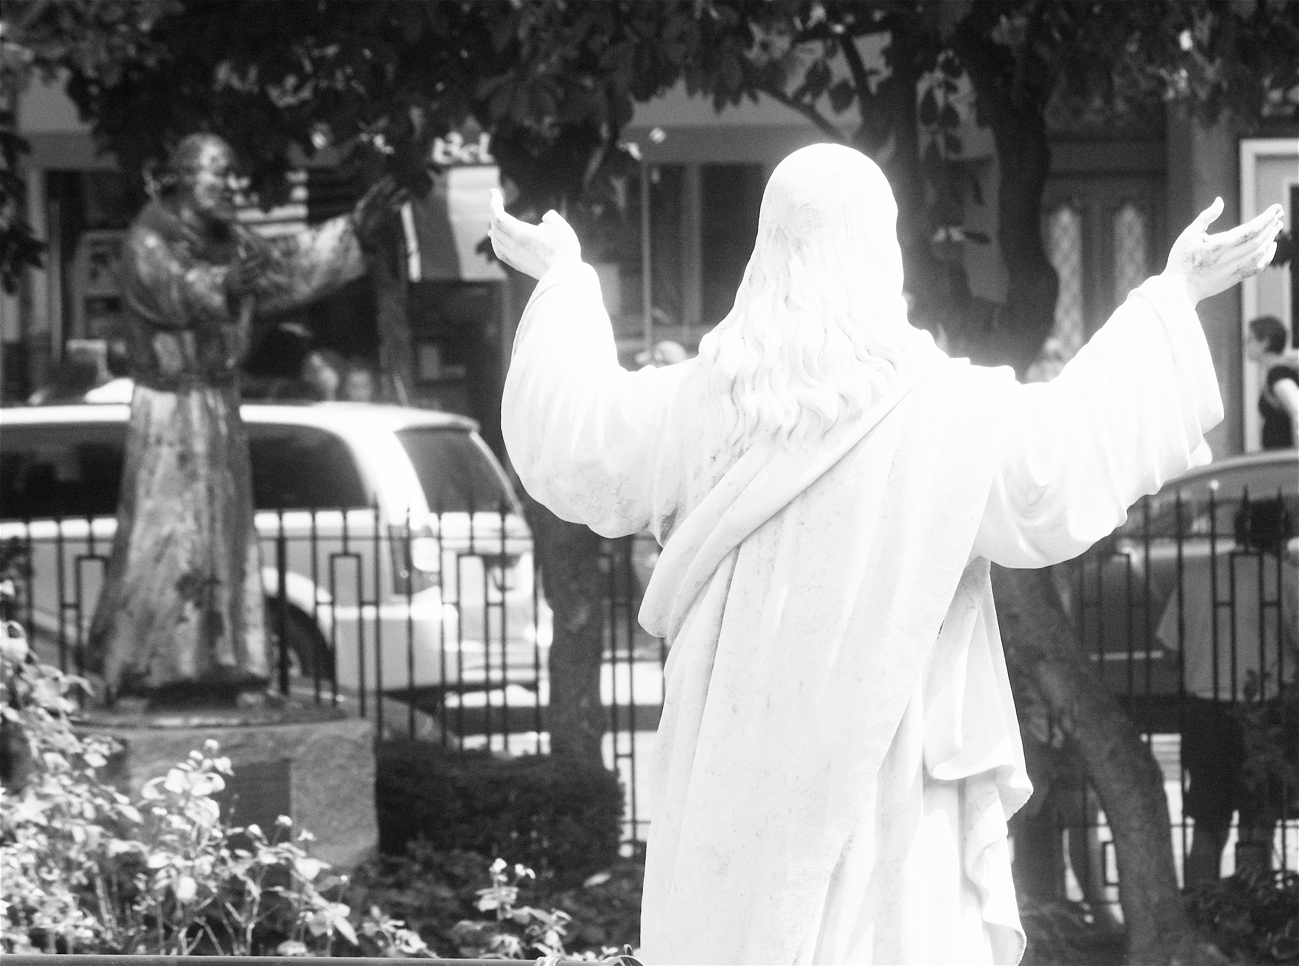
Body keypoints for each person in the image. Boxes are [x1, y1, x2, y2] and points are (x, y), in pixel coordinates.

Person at [490, 143, 1282, 964]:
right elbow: (1062, 456)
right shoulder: (943, 410)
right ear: (881, 250)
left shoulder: (698, 405)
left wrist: (566, 281)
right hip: (891, 770)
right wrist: (1172, 295)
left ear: (768, 248)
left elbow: (576, 432)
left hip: (735, 771)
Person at [86, 132, 404, 706]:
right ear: (183, 178)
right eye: (219, 174)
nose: (232, 186)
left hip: (216, 406)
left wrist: (351, 231)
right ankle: (147, 664)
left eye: (235, 175)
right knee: (166, 534)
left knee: (220, 540)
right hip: (170, 411)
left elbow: (282, 270)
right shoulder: (148, 239)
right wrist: (228, 283)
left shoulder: (228, 240)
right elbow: (175, 292)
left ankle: (215, 660)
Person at [1156, 497, 1299, 886]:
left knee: (1207, 827)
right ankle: (1253, 907)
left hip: (1204, 714)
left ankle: (1202, 909)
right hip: (1264, 716)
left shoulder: (1197, 575)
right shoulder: (1285, 578)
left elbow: (1170, 653)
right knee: (1257, 826)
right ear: (1281, 538)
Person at [1245, 314, 1299, 449]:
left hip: (1285, 459)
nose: (1246, 344)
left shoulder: (1278, 374)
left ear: (1265, 342)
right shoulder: (1277, 372)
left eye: (1250, 339)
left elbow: (1297, 410)